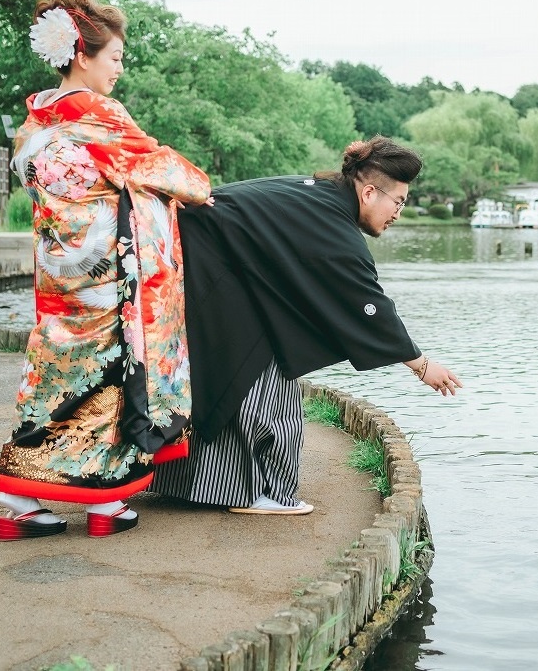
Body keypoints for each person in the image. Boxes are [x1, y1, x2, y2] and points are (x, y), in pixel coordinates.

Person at [0, 0, 211, 541]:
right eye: (114, 57)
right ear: (82, 55)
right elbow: (161, 168)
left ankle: (25, 498)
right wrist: (200, 189)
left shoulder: (35, 120)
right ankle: (98, 504)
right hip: (109, 275)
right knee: (115, 374)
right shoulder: (99, 115)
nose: (119, 69)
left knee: (56, 373)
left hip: (61, 271)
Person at [152, 137, 462, 515]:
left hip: (205, 275)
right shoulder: (334, 226)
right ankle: (261, 495)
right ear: (368, 192)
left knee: (244, 382)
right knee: (268, 395)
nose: (398, 212)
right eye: (397, 201)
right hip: (209, 278)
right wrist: (422, 365)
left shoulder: (314, 194)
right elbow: (368, 305)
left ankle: (188, 485)